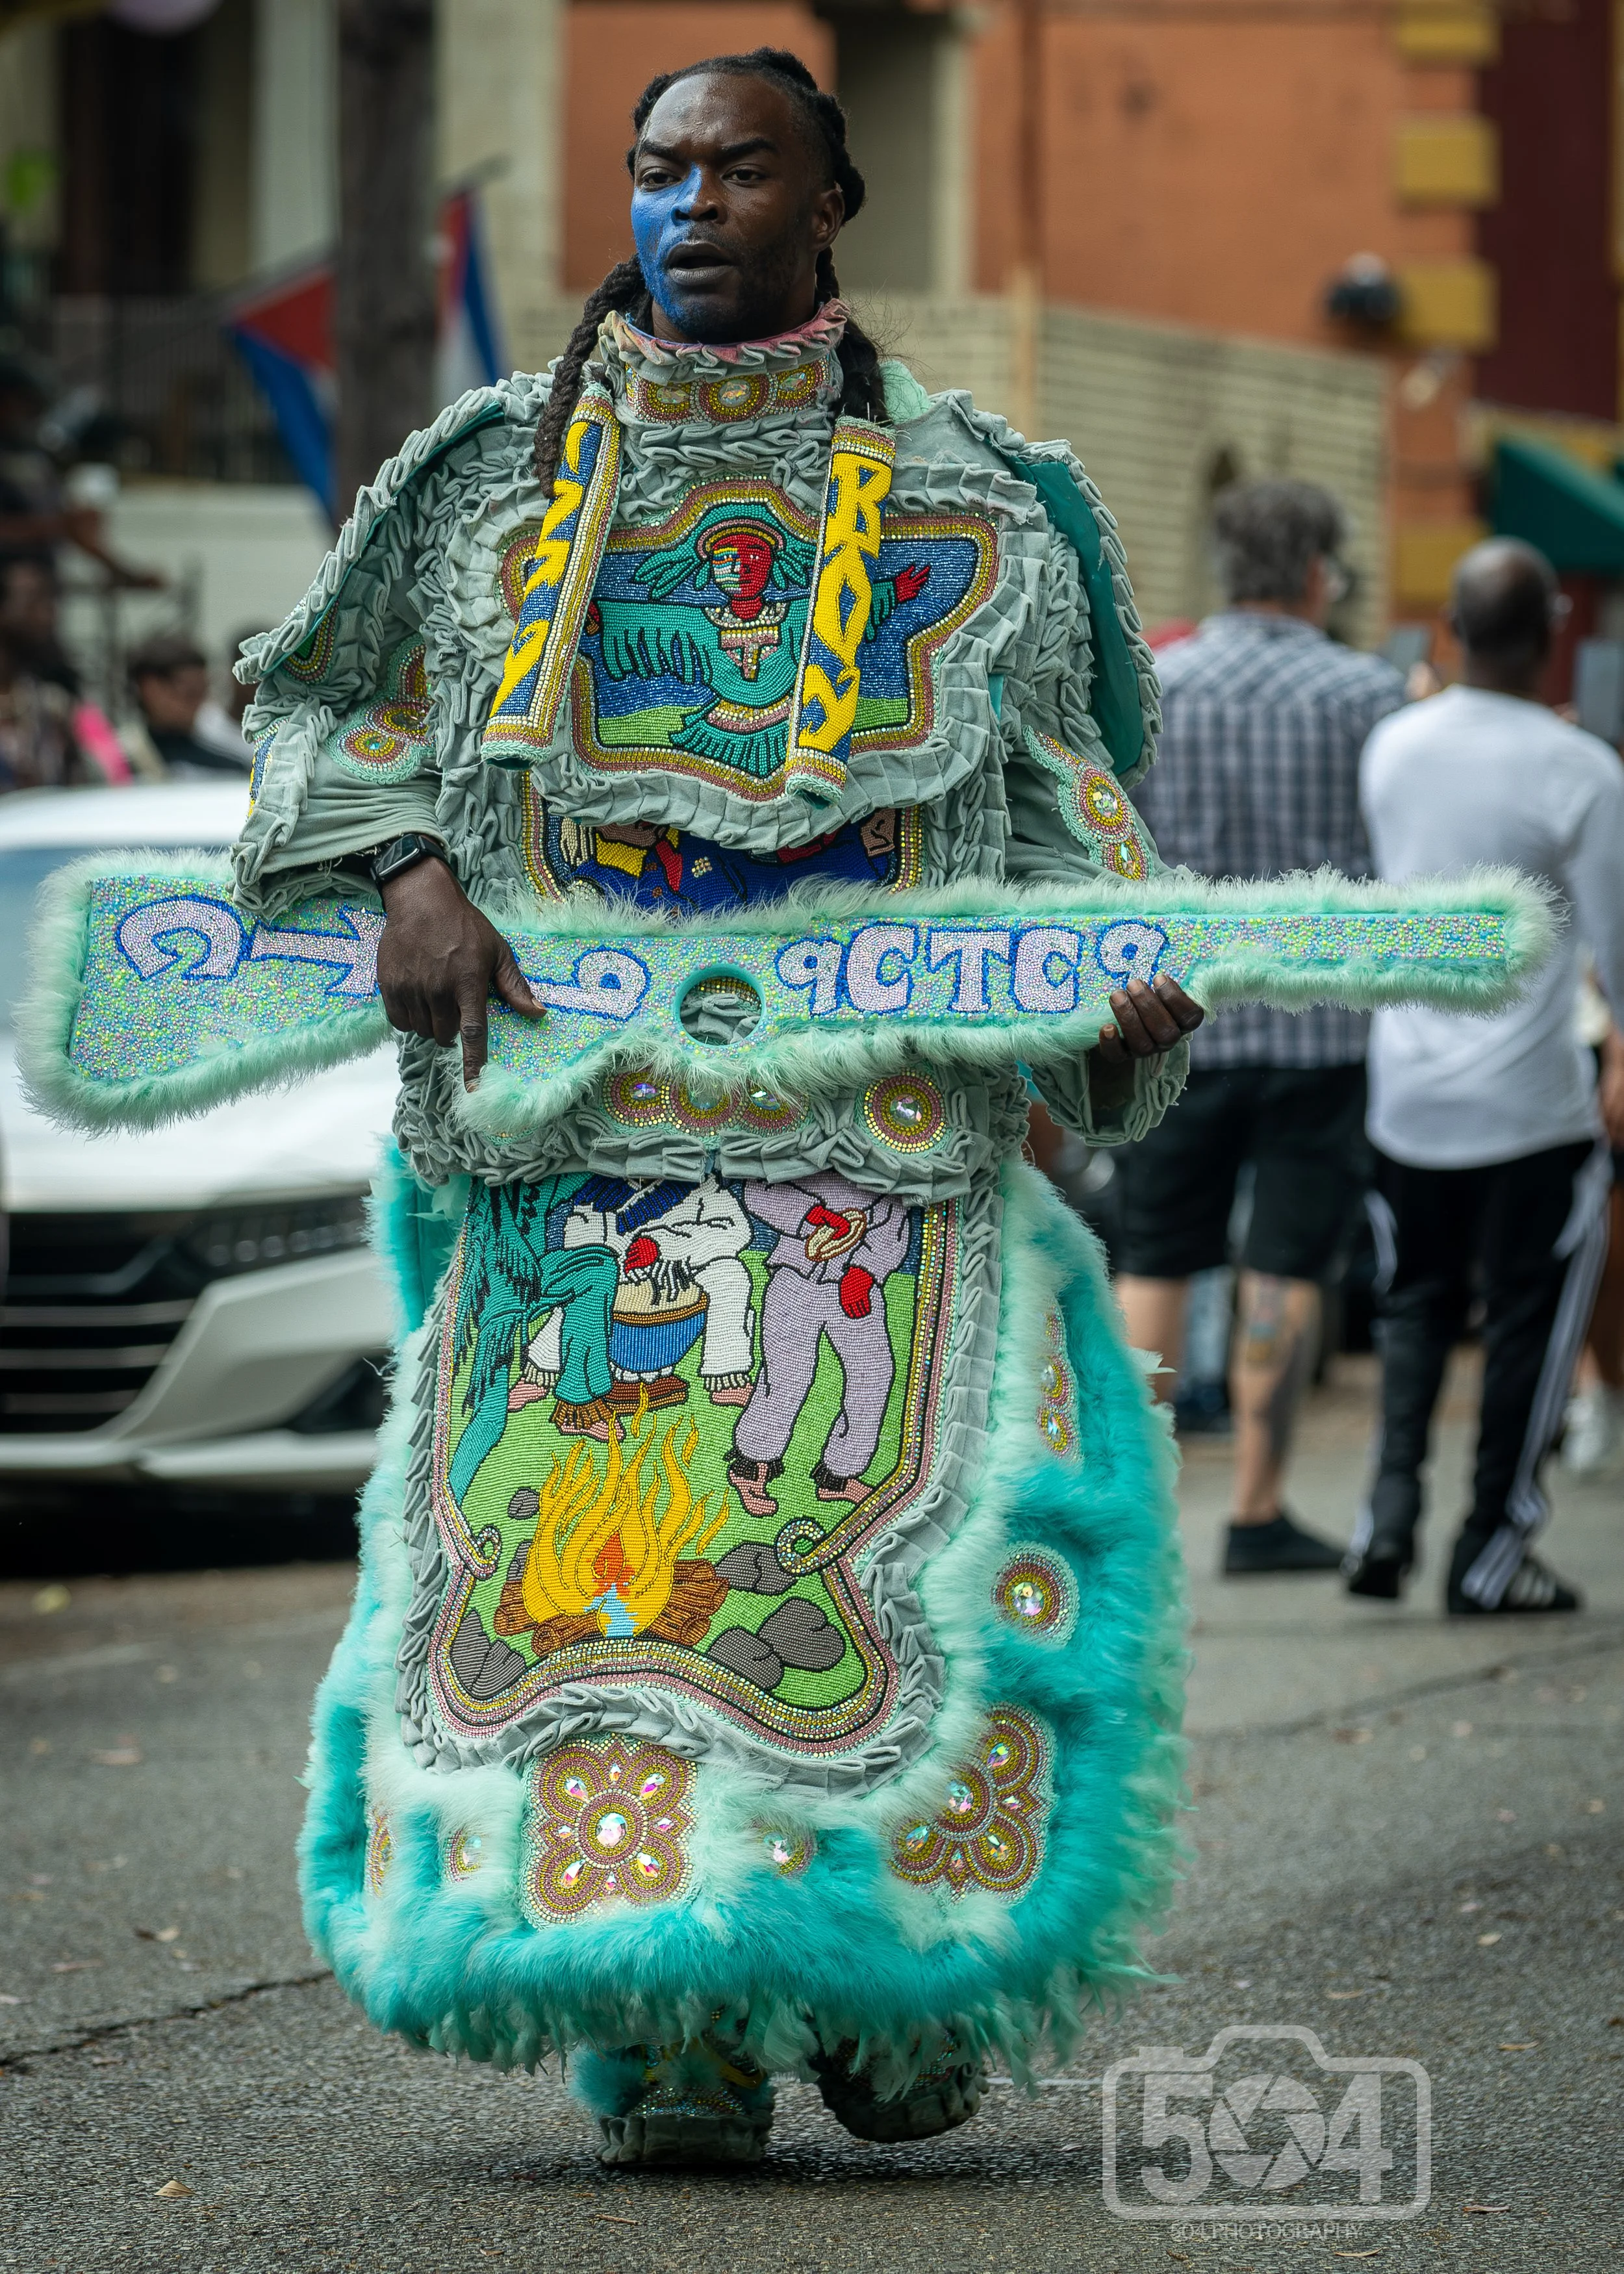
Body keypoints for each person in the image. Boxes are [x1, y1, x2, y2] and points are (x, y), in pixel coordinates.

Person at [231, 49, 1206, 2167]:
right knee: (605, 1620)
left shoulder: (982, 511)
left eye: (739, 167)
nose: (689, 203)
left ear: (831, 199)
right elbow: (317, 714)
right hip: (575, 1183)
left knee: (882, 1590)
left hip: (887, 1187)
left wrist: (1113, 994)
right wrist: (407, 874)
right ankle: (667, 2026)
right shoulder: (485, 483)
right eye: (657, 169)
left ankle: (880, 1982)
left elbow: (1071, 826)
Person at [1116, 479, 1405, 1574]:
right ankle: (1256, 1509)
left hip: (1175, 1024)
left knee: (1157, 1252)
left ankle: (1135, 1512)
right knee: (1283, 1264)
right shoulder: (1369, 694)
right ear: (1320, 574)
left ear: (1229, 573)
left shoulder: (1160, 688)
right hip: (1320, 1031)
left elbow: (1121, 851)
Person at [1348, 539, 1624, 1613]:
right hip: (1531, 1104)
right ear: (1554, 634)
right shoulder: (1584, 771)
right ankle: (1491, 1552)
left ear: (1454, 632)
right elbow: (1613, 934)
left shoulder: (1393, 747)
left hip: (1405, 1095)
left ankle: (1386, 1522)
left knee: (1411, 1310)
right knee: (1528, 1326)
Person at [125, 633, 251, 778]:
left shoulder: (231, 767)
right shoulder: (119, 763)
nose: (200, 704)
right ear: (151, 690)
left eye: (203, 693)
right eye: (190, 694)